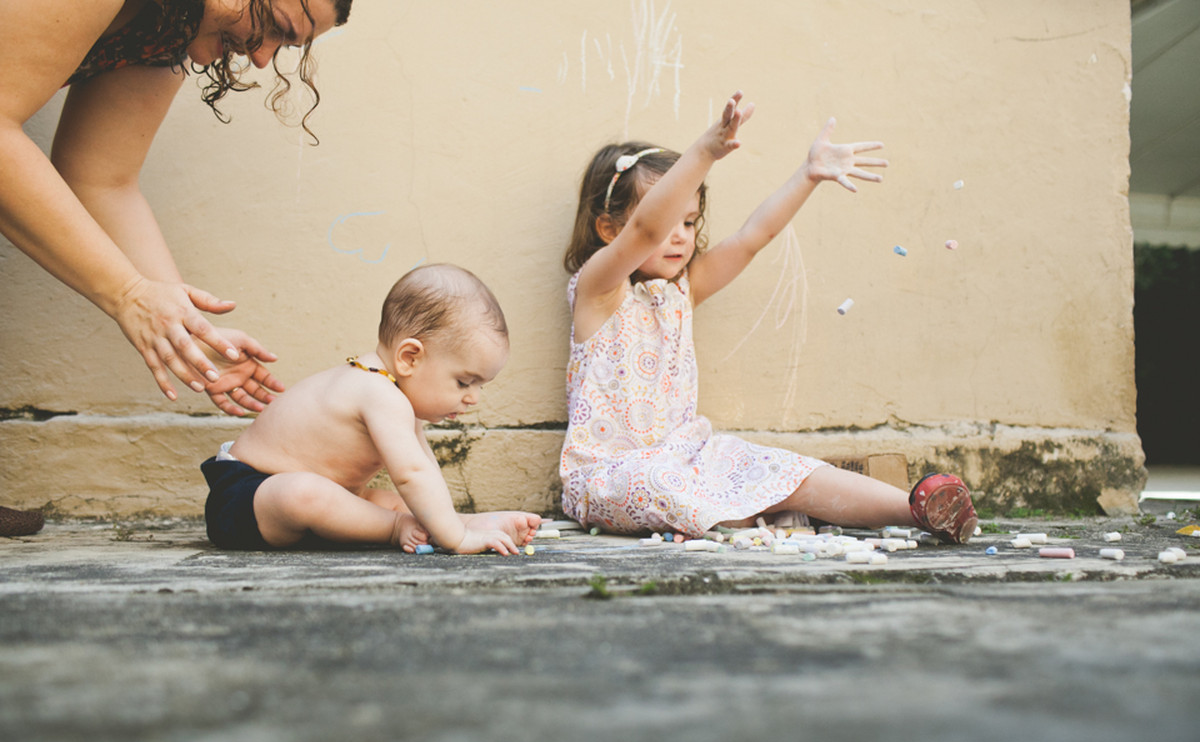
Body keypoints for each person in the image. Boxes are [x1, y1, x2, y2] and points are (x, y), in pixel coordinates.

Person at [558, 90, 979, 544]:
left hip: (692, 457)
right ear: (609, 229)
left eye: (689, 222)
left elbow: (752, 237)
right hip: (610, 476)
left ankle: (918, 508)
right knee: (663, 484)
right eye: (667, 224)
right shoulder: (598, 292)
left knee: (777, 466)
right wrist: (705, 151)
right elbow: (646, 231)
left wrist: (808, 175)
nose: (678, 237)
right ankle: (766, 514)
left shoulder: (684, 289)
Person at [0, 1, 352, 534]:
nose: (262, 59)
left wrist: (188, 330)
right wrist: (128, 294)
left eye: (285, 47)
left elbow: (101, 178)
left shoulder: (171, 25)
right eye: (274, 31)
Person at [200, 263, 543, 555]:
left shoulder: (390, 391)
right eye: (464, 382)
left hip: (327, 498)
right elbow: (411, 474)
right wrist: (456, 540)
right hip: (246, 496)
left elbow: (425, 472)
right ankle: (403, 528)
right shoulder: (377, 392)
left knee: (397, 502)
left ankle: (465, 523)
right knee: (305, 493)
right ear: (410, 358)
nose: (473, 398)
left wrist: (449, 520)